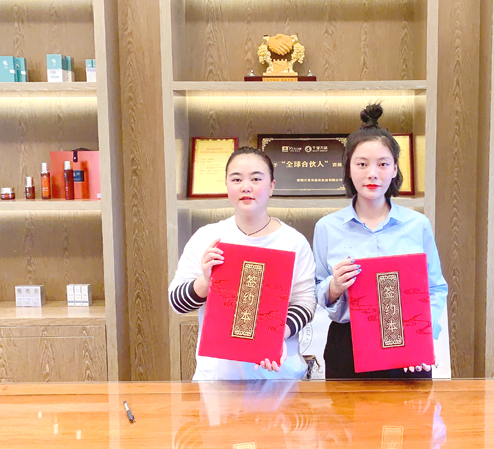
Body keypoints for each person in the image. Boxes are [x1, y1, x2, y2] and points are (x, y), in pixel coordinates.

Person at [313, 104, 448, 379]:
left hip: (407, 342)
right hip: (346, 346)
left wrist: (422, 335)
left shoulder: (417, 224)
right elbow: (316, 289)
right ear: (349, 169)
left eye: (383, 164)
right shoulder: (327, 227)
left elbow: (435, 288)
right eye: (362, 164)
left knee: (410, 409)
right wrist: (334, 287)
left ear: (395, 169)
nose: (372, 173)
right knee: (346, 409)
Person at [169, 146, 316, 380]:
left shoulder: (293, 241)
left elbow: (306, 303)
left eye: (256, 179)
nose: (246, 187)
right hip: (218, 377)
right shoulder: (207, 237)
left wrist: (277, 335)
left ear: (272, 186)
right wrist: (205, 281)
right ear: (227, 186)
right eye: (236, 179)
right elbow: (177, 303)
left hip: (279, 376)